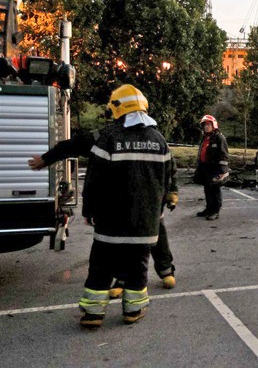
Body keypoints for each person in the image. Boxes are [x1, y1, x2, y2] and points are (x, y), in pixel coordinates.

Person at [28, 125, 179, 295]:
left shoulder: (152, 136)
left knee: (155, 235)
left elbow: (169, 165)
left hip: (149, 202)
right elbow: (74, 146)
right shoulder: (106, 135)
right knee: (122, 243)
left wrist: (172, 191)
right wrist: (47, 158)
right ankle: (123, 279)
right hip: (120, 204)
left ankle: (165, 269)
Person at [72, 84, 172, 327]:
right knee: (138, 269)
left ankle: (93, 314)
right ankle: (133, 311)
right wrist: (159, 209)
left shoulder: (109, 138)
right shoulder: (159, 141)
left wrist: (89, 210)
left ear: (117, 108)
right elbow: (167, 179)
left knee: (101, 268)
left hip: (110, 223)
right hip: (145, 224)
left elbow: (94, 180)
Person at [194, 115, 229, 221]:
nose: (206, 127)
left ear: (213, 125)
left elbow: (224, 155)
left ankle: (215, 211)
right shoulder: (205, 138)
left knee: (215, 189)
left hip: (215, 168)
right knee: (207, 189)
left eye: (208, 124)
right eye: (204, 125)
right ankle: (209, 209)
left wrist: (222, 171)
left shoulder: (219, 138)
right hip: (205, 168)